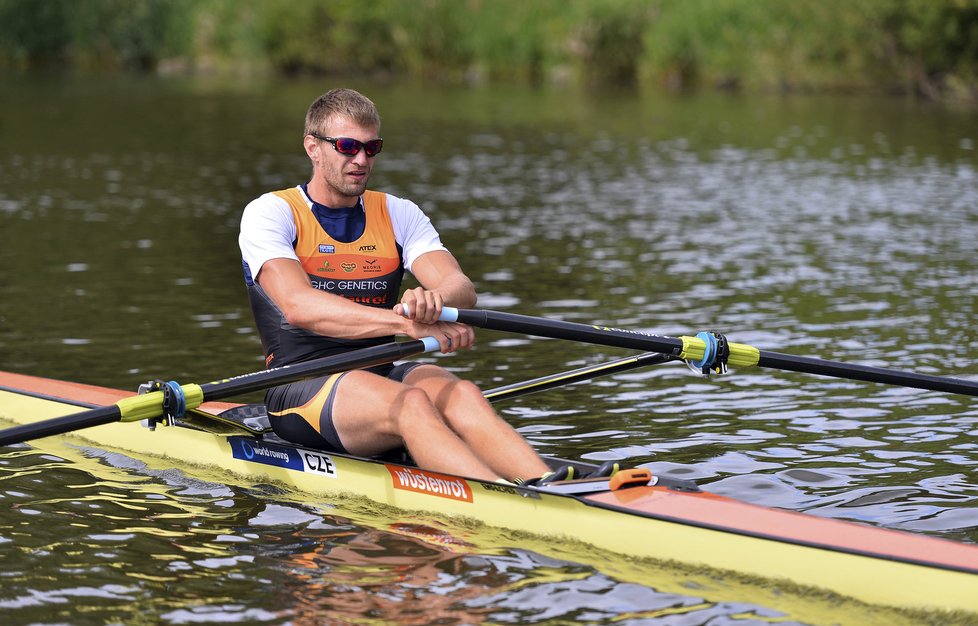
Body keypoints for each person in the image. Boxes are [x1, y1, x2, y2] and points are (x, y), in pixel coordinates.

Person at [238, 88, 552, 484]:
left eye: (372, 148)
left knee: (463, 395)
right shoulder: (272, 212)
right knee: (413, 405)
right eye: (348, 146)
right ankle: (504, 502)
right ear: (312, 147)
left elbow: (461, 287)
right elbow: (299, 306)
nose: (361, 160)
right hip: (301, 385)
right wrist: (403, 323)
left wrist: (433, 301)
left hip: (382, 372)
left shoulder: (398, 212)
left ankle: (551, 486)